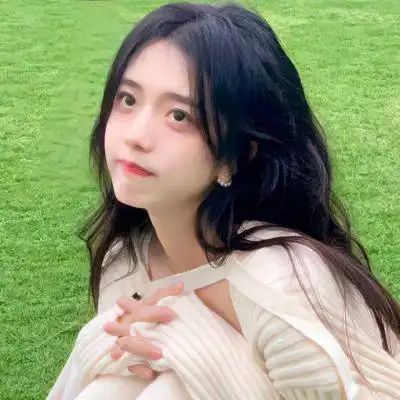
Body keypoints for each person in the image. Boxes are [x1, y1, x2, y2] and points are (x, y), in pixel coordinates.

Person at [47, 2, 400, 399]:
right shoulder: (125, 262)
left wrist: (202, 354)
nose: (136, 136)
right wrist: (105, 342)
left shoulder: (276, 283)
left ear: (234, 157)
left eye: (179, 116)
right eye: (128, 100)